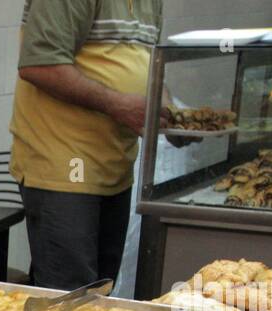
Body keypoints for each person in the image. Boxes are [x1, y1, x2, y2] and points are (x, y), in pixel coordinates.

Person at [10, 0, 163, 290]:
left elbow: (144, 67)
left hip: (114, 166)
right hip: (63, 167)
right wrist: (116, 104)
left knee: (101, 295)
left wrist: (169, 112)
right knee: (70, 298)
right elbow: (39, 64)